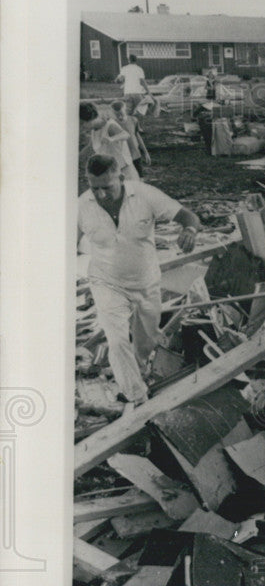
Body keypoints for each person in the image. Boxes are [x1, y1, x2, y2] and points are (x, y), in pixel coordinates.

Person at [77, 154, 201, 405]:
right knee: (118, 340)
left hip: (146, 281)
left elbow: (189, 217)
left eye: (107, 187)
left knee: (145, 343)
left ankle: (139, 370)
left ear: (121, 178)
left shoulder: (145, 195)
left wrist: (189, 231)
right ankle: (138, 397)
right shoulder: (81, 206)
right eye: (94, 188)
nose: (101, 195)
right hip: (106, 282)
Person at [79, 102, 137, 180]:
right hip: (111, 171)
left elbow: (126, 134)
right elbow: (90, 147)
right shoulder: (94, 130)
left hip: (125, 171)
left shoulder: (110, 126)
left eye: (82, 123)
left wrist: (111, 139)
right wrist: (75, 158)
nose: (81, 127)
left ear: (89, 119)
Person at [111, 99, 151, 177]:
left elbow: (137, 136)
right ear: (112, 113)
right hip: (123, 158)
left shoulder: (133, 120)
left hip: (136, 155)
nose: (119, 116)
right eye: (116, 114)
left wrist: (146, 153)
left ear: (125, 109)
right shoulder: (112, 124)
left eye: (121, 113)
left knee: (140, 178)